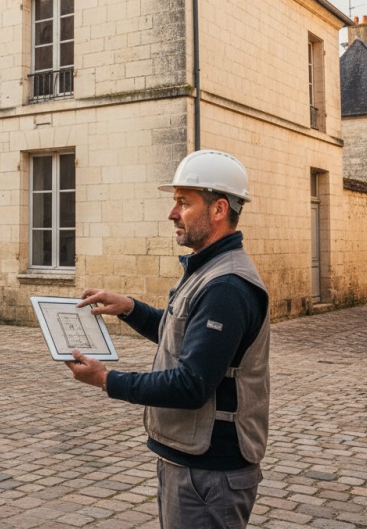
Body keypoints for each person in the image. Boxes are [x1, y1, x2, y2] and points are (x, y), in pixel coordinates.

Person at [66, 149, 269, 529]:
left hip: (209, 471)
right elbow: (179, 333)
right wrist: (129, 308)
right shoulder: (206, 270)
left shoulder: (226, 285)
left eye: (183, 203)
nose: (172, 213)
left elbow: (191, 384)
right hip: (191, 462)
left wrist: (107, 379)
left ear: (219, 209)